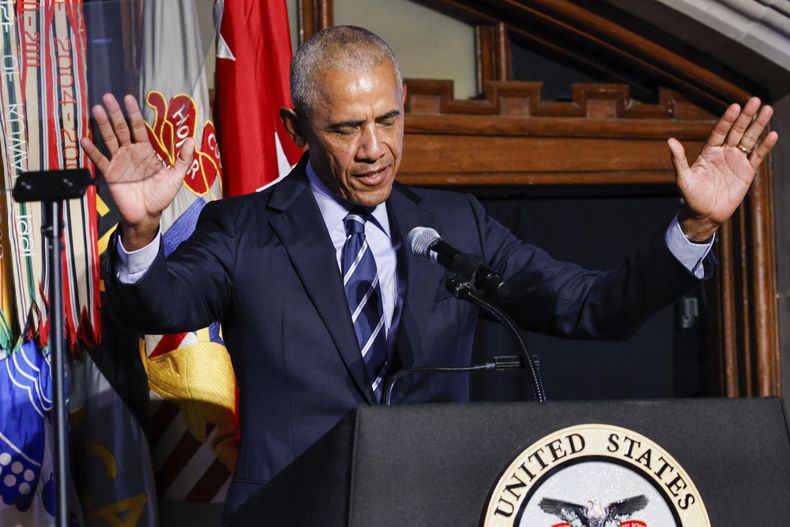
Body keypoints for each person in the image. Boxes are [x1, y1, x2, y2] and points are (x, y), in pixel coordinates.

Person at [80, 26, 777, 518]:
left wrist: (696, 228)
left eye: (389, 119)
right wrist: (142, 232)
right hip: (289, 512)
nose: (375, 148)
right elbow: (158, 306)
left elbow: (592, 306)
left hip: (438, 505)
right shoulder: (244, 228)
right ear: (297, 128)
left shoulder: (456, 224)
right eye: (347, 128)